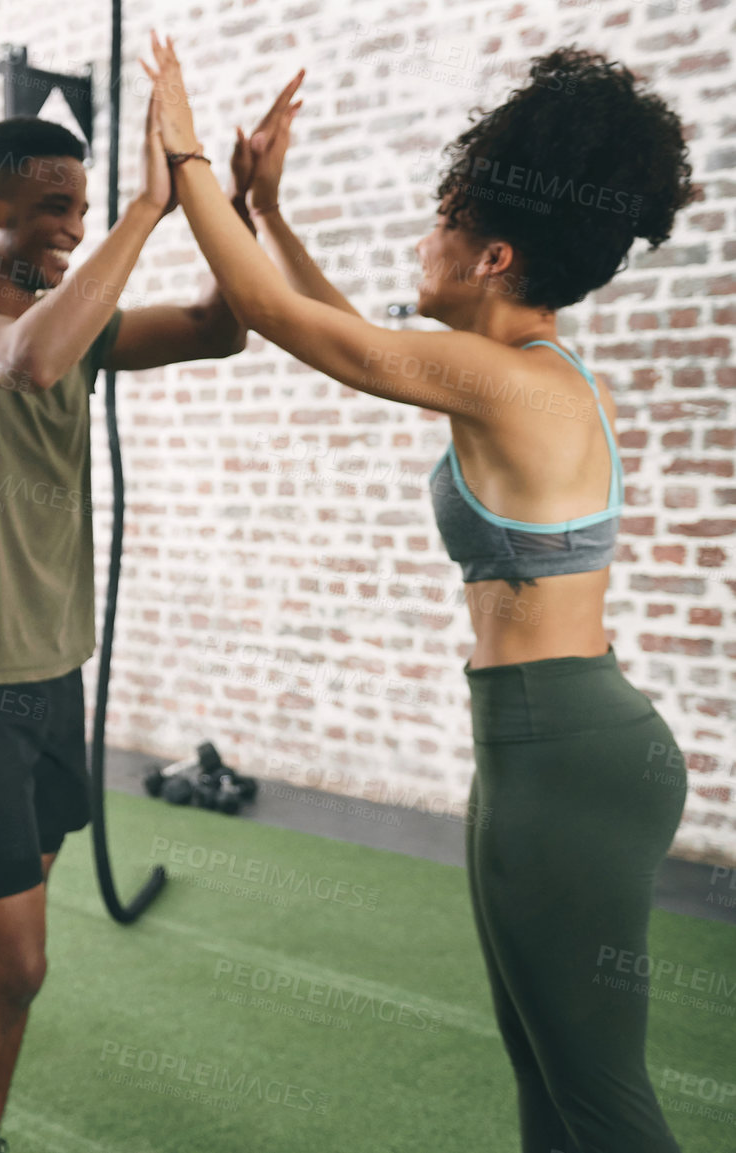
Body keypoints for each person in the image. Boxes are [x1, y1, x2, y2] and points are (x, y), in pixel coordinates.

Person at [146, 32, 696, 1152]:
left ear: (490, 256)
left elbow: (301, 330)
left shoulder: (513, 382)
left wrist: (185, 158)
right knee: (544, 1067)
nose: (418, 240)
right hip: (538, 745)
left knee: (599, 1096)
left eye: (435, 221)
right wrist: (270, 210)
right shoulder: (504, 370)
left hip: (568, 762)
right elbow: (344, 329)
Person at [0, 94, 258, 1152]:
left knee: (22, 969)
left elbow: (220, 329)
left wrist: (240, 203)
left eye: (83, 207)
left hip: (51, 674)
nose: (72, 225)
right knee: (8, 965)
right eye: (53, 207)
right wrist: (147, 209)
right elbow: (24, 359)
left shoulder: (74, 318)